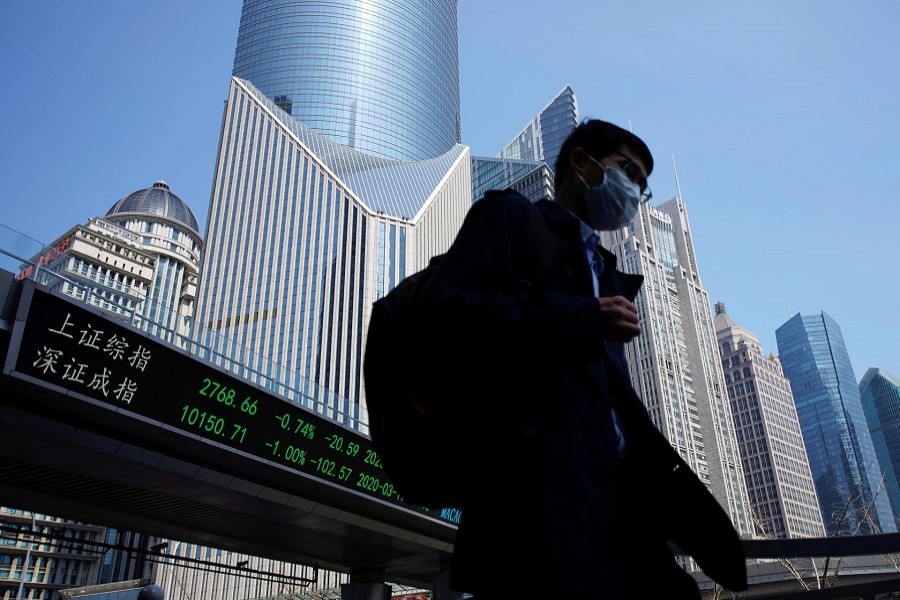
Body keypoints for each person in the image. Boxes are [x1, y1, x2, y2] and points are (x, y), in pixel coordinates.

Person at [412, 119, 748, 599]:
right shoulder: (510, 217)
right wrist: (580, 315)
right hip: (536, 508)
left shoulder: (606, 272)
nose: (634, 191)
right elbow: (446, 313)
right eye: (626, 171)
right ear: (581, 163)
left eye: (643, 186)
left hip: (614, 501)